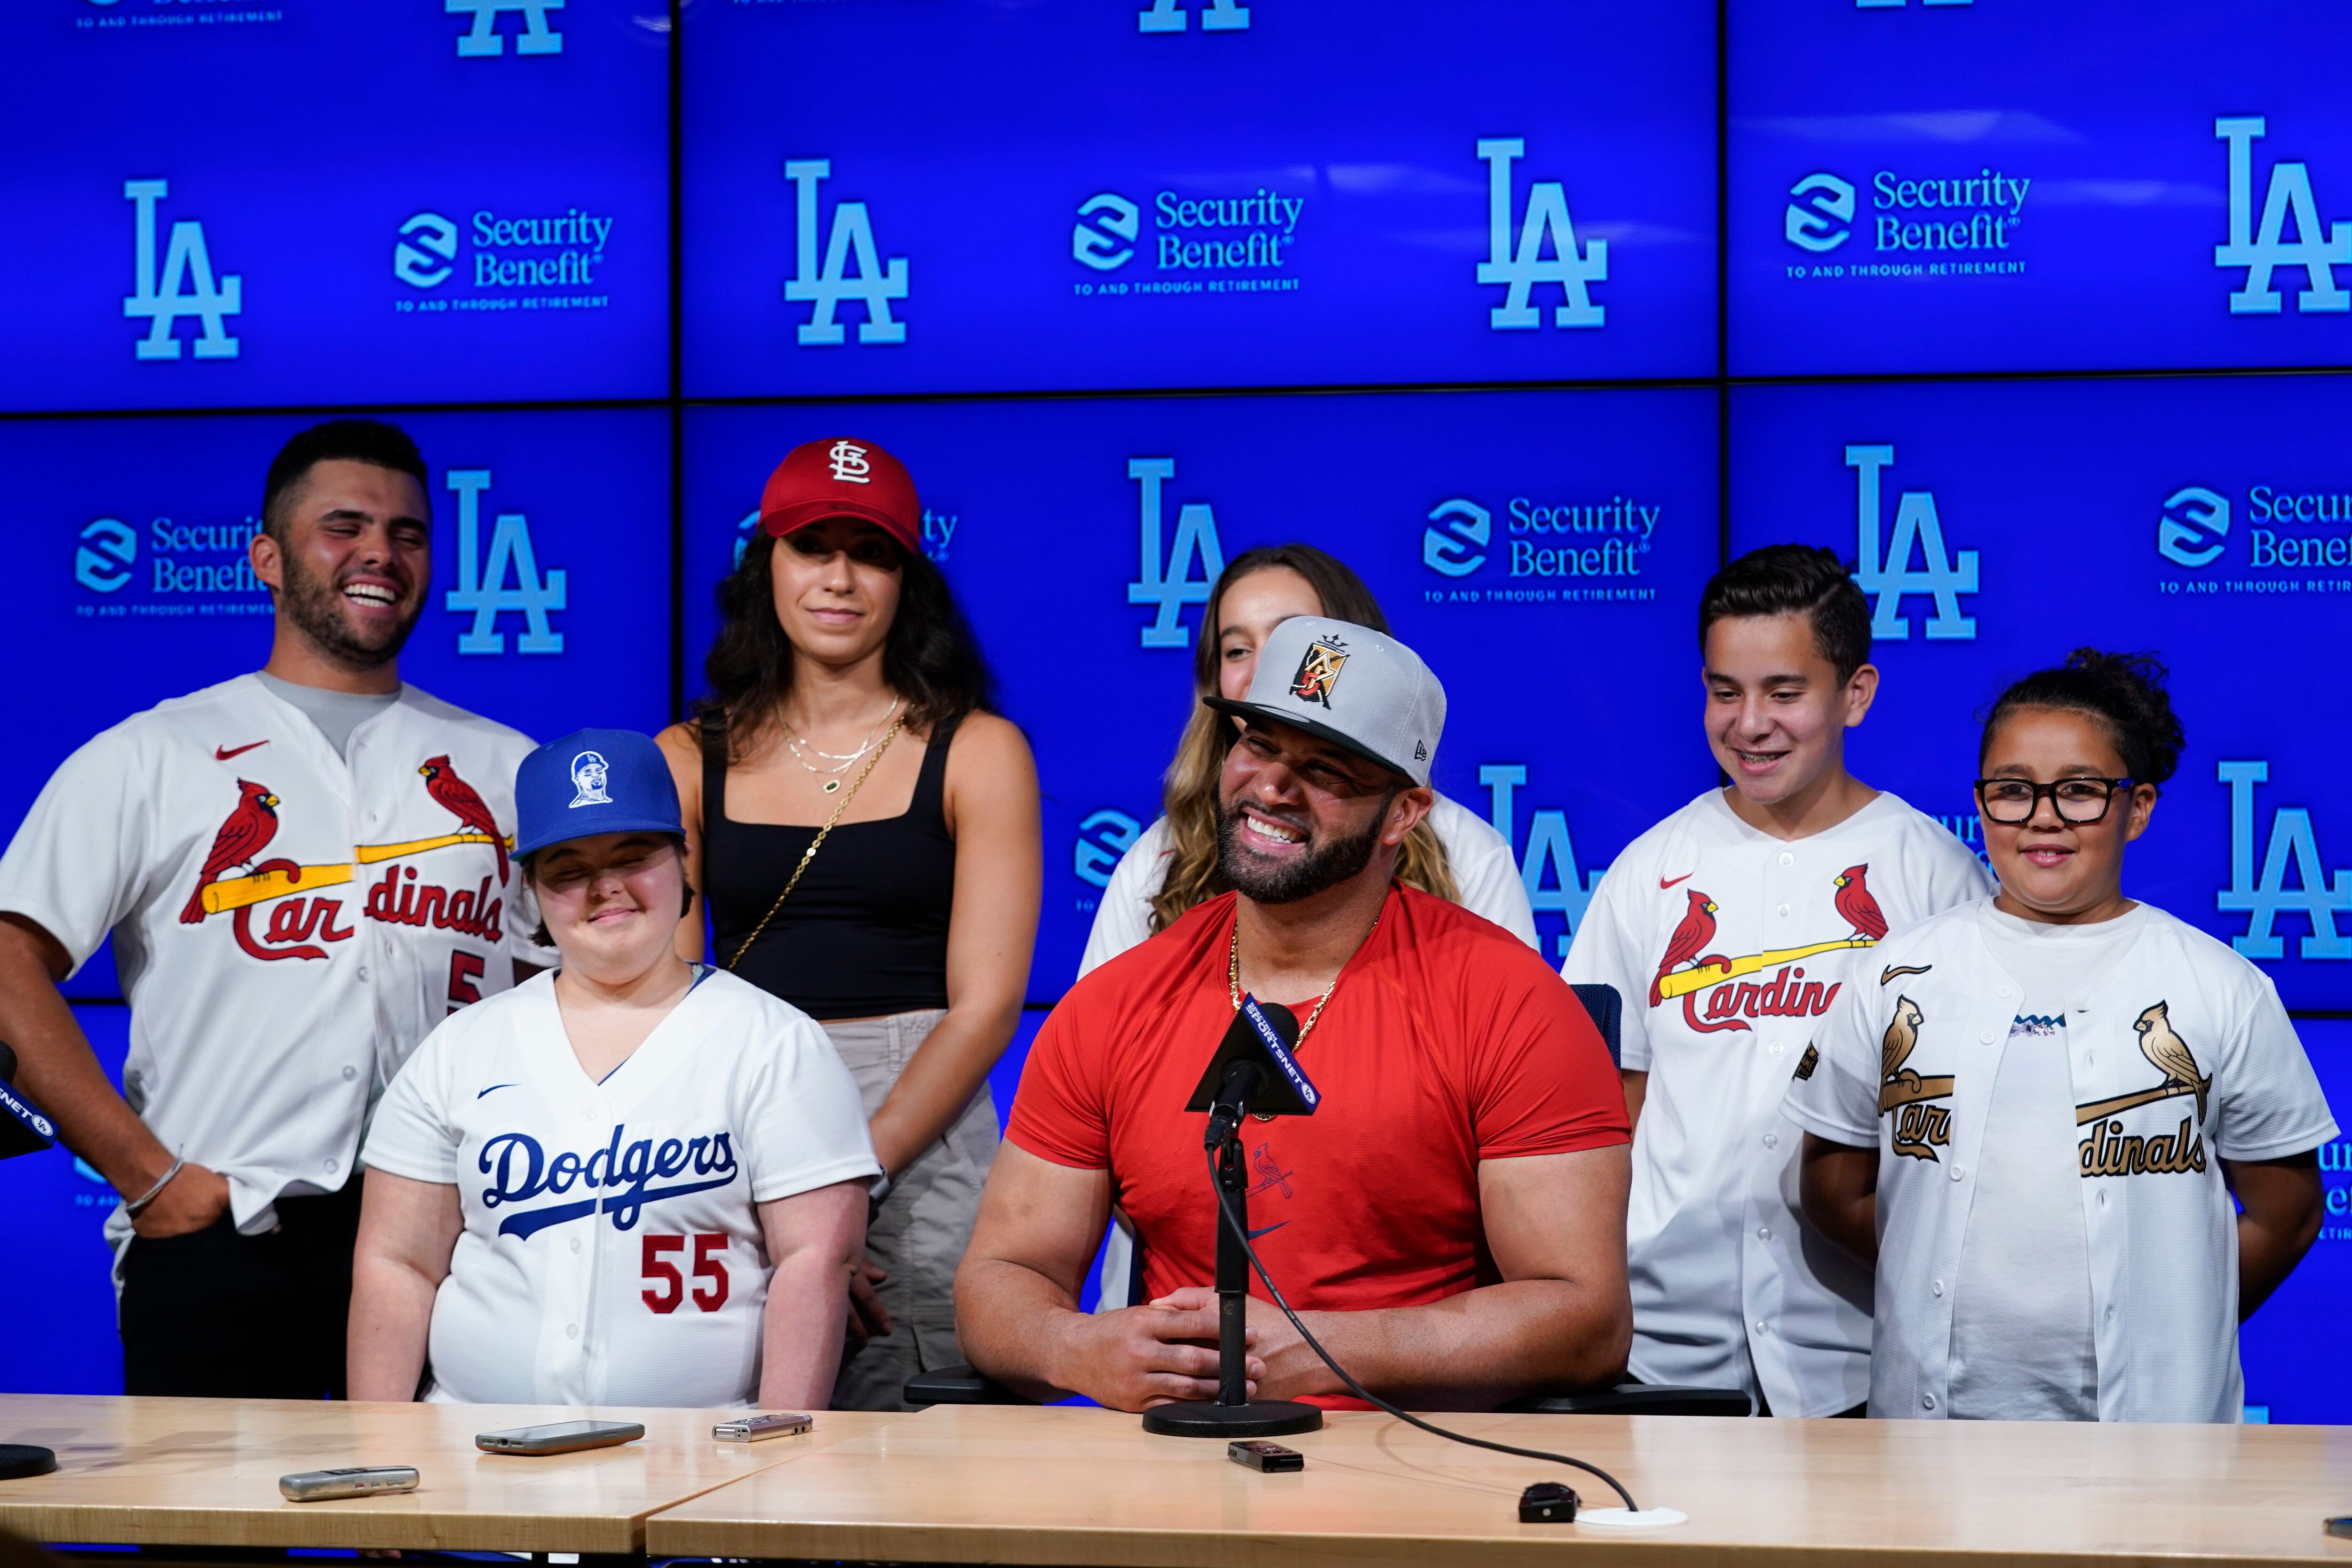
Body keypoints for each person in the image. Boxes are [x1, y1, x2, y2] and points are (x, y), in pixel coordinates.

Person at [957, 617, 1632, 1412]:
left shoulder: (1512, 1005)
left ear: (1403, 814)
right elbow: (1001, 1278)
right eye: (1260, 745)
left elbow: (1585, 1317)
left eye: (1326, 769)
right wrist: (1080, 1348)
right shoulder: (1113, 1004)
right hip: (1173, 1476)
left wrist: (1319, 1349)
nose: (1273, 785)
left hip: (1421, 1471)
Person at [0, 419, 545, 1398]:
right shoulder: (153, 753)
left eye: (409, 533)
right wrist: (150, 1178)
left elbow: (573, 1002)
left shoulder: (506, 765)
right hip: (228, 1230)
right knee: (213, 1543)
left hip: (460, 1245)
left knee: (457, 1542)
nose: (381, 550)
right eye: (345, 525)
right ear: (267, 556)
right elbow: (8, 956)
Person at [1788, 651, 2332, 1423]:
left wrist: (2179, 1317)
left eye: (2080, 790)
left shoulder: (2223, 986)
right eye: (2013, 790)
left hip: (2158, 1443)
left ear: (2137, 807)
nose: (2044, 815)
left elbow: (2287, 1211)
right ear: (1981, 803)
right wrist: (1928, 1273)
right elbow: (1832, 1185)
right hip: (1929, 1435)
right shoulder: (1894, 974)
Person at [1560, 544, 1992, 1417]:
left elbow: (1968, 1125)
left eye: (1784, 692)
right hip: (1662, 1354)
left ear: (1856, 694)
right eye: (1725, 691)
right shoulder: (1649, 870)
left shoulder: (1936, 875)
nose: (1750, 722)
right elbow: (1603, 1103)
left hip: (1862, 1353)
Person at [657, 436, 1041, 1411]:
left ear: (908, 577)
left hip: (918, 1127)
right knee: (729, 1446)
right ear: (766, 565)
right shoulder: (684, 754)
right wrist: (763, 1186)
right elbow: (660, 997)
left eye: (868, 552)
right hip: (731, 1127)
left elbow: (987, 1007)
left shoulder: (976, 749)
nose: (837, 577)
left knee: (922, 1458)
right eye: (809, 545)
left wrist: (841, 1184)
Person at [350, 730, 877, 1408]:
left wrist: (778, 1453)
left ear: (683, 862)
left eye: (634, 856)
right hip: (472, 1455)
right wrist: (382, 1449)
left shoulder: (774, 1042)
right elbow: (399, 1264)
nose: (606, 888)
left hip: (704, 1461)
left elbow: (816, 1262)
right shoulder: (459, 1049)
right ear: (533, 889)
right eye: (569, 870)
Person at [1080, 542, 1536, 975]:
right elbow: (1097, 1033)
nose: (1265, 673)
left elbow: (1511, 1021)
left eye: (1291, 645)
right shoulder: (1156, 863)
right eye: (1237, 650)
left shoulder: (1470, 855)